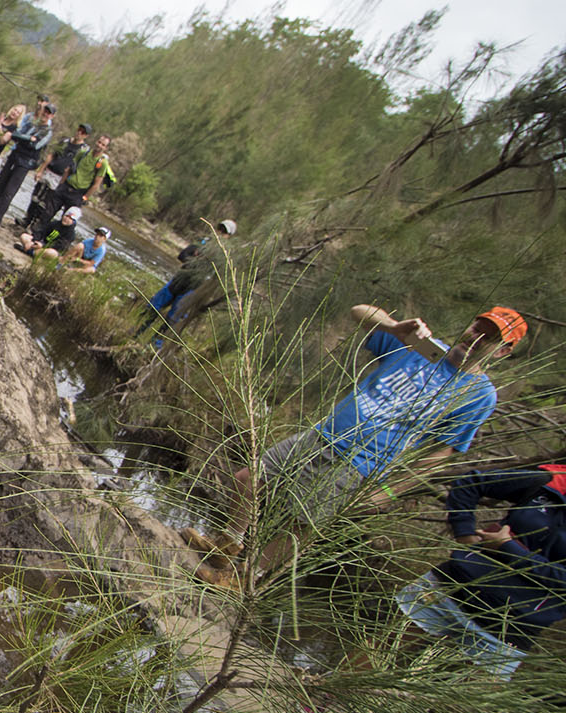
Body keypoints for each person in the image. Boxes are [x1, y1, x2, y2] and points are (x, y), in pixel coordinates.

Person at [196, 304, 526, 585]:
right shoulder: (424, 347)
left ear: (503, 351)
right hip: (322, 434)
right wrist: (394, 326)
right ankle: (227, 545)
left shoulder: (479, 394)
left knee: (301, 526)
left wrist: (389, 491)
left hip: (359, 463)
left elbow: (440, 452)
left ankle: (246, 578)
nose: (474, 337)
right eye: (476, 327)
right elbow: (359, 311)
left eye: (490, 337)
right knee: (247, 479)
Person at [392, 462, 566, 677]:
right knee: (372, 656)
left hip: (510, 627)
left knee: (455, 704)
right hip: (450, 587)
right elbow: (470, 483)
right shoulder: (553, 481)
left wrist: (508, 549)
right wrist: (465, 534)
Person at [140, 219, 236, 344]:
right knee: (153, 307)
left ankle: (152, 347)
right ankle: (136, 333)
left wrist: (198, 265)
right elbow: (183, 255)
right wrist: (195, 262)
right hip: (177, 281)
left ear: (228, 236)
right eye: (220, 229)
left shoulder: (223, 256)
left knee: (172, 320)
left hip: (191, 290)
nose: (220, 233)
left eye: (224, 232)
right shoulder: (203, 242)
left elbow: (214, 277)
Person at [0, 97, 56, 227]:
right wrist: (27, 138)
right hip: (15, 154)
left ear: (52, 116)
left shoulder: (47, 131)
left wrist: (25, 138)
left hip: (26, 162)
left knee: (9, 191)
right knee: (1, 183)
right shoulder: (32, 122)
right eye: (45, 111)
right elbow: (18, 133)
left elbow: (35, 144)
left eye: (49, 113)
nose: (45, 114)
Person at [17, 205, 81, 256]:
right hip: (40, 243)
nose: (67, 219)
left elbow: (59, 246)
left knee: (52, 253)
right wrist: (34, 241)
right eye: (66, 216)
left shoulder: (71, 234)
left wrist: (43, 246)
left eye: (70, 218)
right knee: (24, 236)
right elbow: (41, 231)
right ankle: (31, 250)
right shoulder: (55, 223)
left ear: (74, 222)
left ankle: (30, 251)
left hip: (49, 249)